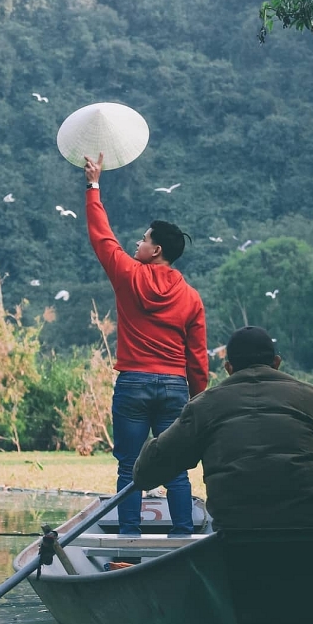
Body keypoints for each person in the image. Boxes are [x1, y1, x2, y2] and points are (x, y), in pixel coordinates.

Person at [84, 153, 209, 536]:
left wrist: (93, 186)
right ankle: (184, 536)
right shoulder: (191, 297)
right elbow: (198, 360)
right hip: (175, 387)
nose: (137, 243)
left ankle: (128, 538)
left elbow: (102, 237)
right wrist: (196, 398)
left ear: (155, 250)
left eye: (143, 239)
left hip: (134, 383)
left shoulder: (128, 276)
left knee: (129, 467)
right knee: (174, 468)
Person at [133, 325, 313, 528]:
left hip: (237, 531)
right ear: (276, 363)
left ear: (228, 368)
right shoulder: (311, 398)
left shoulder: (203, 406)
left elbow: (147, 472)